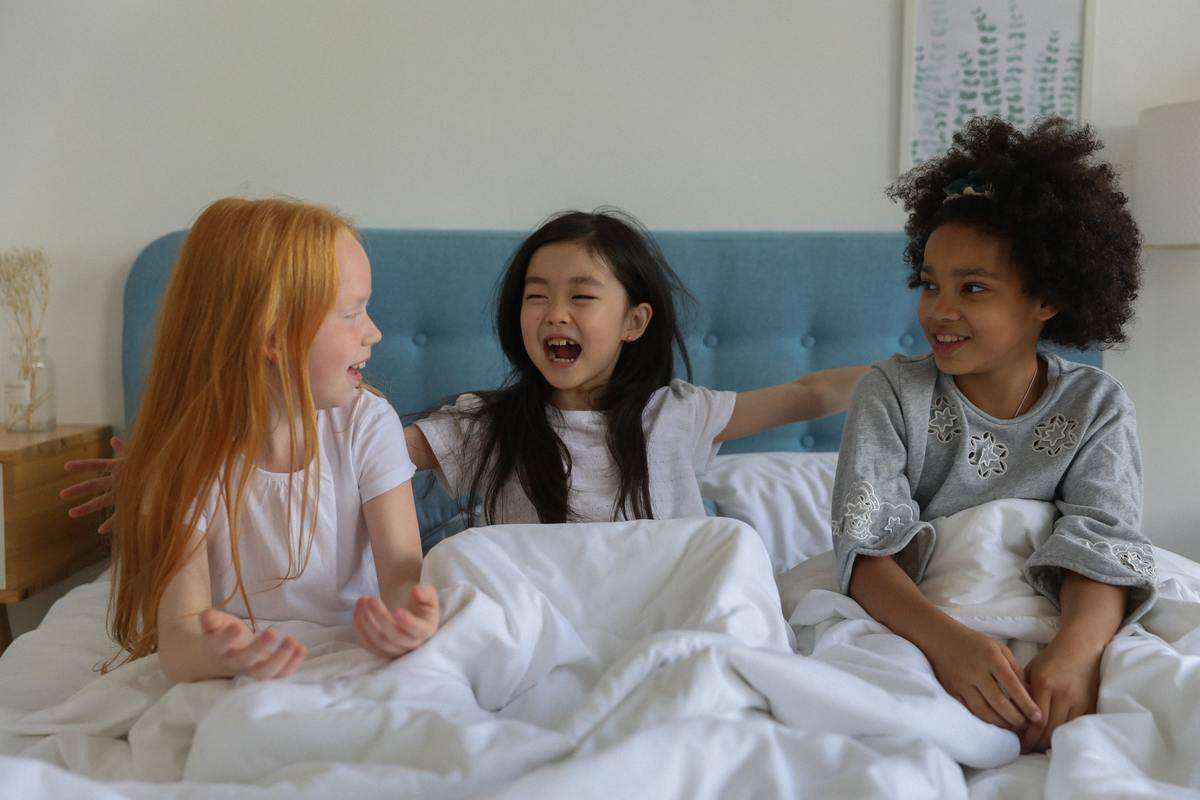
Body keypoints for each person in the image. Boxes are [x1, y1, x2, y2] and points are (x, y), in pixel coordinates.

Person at [832, 117, 1153, 752]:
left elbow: (1103, 541)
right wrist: (950, 646)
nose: (938, 311)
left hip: (1062, 613)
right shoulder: (891, 392)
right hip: (921, 616)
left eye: (972, 288)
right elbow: (865, 551)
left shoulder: (1096, 405)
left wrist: (1075, 655)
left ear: (1047, 298)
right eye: (929, 284)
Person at [98, 197, 439, 683]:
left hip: (351, 651)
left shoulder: (368, 424)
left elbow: (403, 577)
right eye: (353, 313)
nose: (375, 332)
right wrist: (227, 654)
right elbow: (178, 640)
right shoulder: (186, 457)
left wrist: (411, 619)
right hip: (243, 668)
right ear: (275, 337)